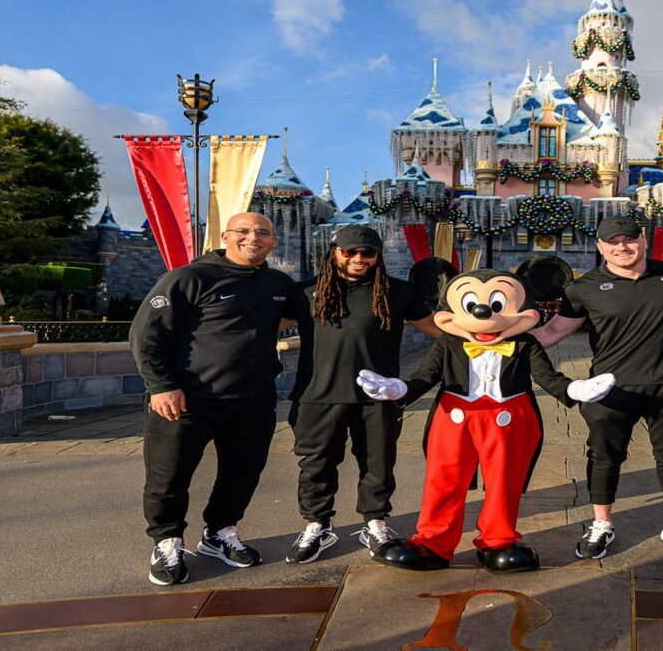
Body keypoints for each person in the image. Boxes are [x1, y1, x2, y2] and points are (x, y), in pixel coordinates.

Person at [357, 270, 614, 572]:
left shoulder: (525, 344)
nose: (482, 314)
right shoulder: (448, 343)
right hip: (454, 418)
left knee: (505, 479)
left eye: (496, 305)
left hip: (509, 418)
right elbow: (425, 377)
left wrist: (575, 389)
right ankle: (433, 543)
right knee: (444, 479)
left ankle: (498, 540)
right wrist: (397, 389)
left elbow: (547, 377)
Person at [131, 212, 294, 586]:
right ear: (225, 236)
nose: (252, 237)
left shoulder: (277, 283)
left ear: (273, 241)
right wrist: (160, 385)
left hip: (252, 400)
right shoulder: (189, 277)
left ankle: (219, 533)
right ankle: (166, 541)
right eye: (243, 231)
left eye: (262, 233)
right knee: (168, 476)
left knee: (242, 473)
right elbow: (146, 334)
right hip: (186, 399)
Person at [533, 215, 663, 562]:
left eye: (629, 239)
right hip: (609, 388)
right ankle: (601, 523)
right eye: (612, 242)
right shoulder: (584, 288)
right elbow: (551, 334)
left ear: (643, 241)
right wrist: (494, 339)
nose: (622, 247)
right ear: (601, 247)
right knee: (604, 457)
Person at [282, 225, 441, 564]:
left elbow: (438, 329)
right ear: (334, 252)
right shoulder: (304, 292)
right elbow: (258, 327)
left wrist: (490, 339)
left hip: (378, 397)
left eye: (366, 253)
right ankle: (318, 525)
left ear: (377, 256)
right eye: (350, 252)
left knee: (378, 465)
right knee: (316, 466)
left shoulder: (398, 292)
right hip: (317, 395)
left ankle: (375, 523)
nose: (358, 259)